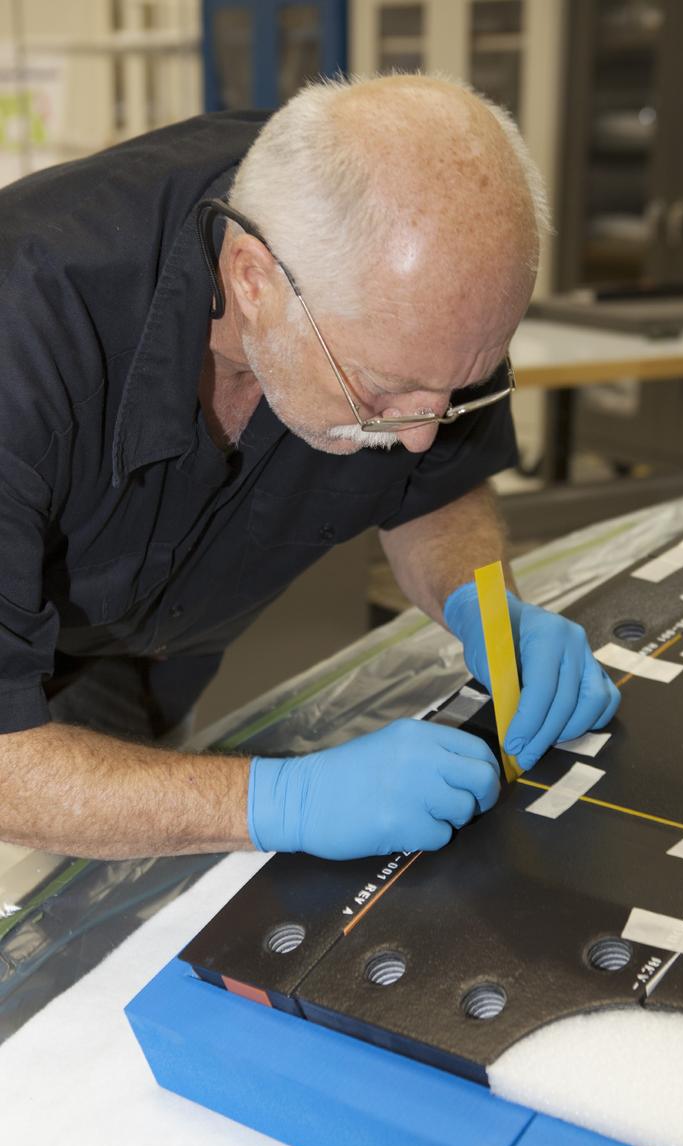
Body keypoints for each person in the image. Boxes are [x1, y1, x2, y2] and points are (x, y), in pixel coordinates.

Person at [0, 72, 619, 862]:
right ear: (252, 280)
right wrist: (280, 801)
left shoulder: (412, 285)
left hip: (159, 665)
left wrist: (486, 606)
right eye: (382, 389)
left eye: (455, 393)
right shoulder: (25, 335)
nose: (421, 435)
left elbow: (433, 486)